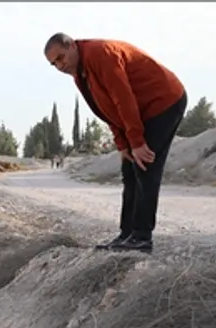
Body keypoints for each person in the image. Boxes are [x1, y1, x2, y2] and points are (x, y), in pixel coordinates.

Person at [44, 32, 187, 253]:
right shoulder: (80, 73)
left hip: (163, 102)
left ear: (72, 45)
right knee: (129, 170)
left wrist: (137, 142)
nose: (59, 66)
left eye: (61, 58)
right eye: (54, 64)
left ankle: (141, 238)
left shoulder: (101, 55)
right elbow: (106, 109)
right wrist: (123, 144)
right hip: (140, 112)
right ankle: (127, 234)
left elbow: (123, 98)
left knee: (145, 166)